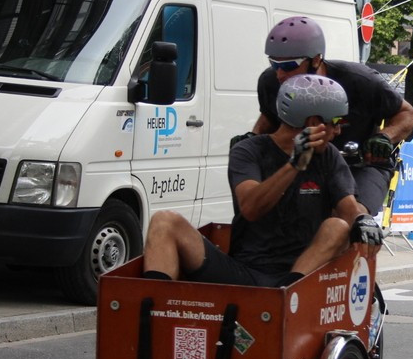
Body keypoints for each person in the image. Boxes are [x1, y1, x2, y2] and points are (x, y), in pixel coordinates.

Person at [142, 75, 382, 286]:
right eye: (336, 122)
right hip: (242, 270)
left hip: (298, 272)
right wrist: (294, 165)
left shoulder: (328, 155)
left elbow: (349, 208)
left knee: (338, 225)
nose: (339, 131)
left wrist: (364, 220)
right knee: (164, 221)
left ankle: (286, 296)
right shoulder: (248, 151)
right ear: (313, 123)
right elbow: (251, 208)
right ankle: (151, 314)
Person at [253, 16, 413, 216]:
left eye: (289, 66)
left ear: (315, 60)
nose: (279, 74)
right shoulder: (270, 82)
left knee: (351, 219)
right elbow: (267, 121)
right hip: (306, 161)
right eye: (274, 65)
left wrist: (385, 137)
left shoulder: (360, 80)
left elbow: (407, 114)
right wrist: (252, 142)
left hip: (360, 164)